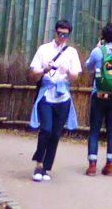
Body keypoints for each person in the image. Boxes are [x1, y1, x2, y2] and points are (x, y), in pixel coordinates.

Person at [27, 18, 82, 182]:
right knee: (46, 130)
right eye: (59, 33)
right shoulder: (44, 49)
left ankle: (46, 168)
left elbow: (75, 77)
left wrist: (67, 72)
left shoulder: (71, 52)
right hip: (46, 95)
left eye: (65, 34)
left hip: (63, 96)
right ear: (55, 32)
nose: (62, 37)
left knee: (56, 133)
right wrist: (45, 69)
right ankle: (38, 163)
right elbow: (32, 74)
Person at [83, 22, 112, 176]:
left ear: (103, 36)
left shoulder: (98, 51)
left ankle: (92, 165)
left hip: (99, 94)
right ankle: (110, 165)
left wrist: (96, 48)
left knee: (94, 130)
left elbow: (88, 66)